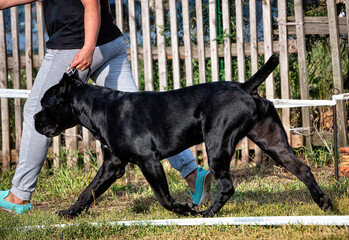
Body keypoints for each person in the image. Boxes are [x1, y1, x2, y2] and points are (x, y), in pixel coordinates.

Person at [0, 0, 212, 214]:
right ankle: (193, 174)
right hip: (109, 42)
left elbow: (91, 4)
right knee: (140, 122)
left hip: (76, 45)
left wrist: (88, 48)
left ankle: (19, 195)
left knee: (38, 112)